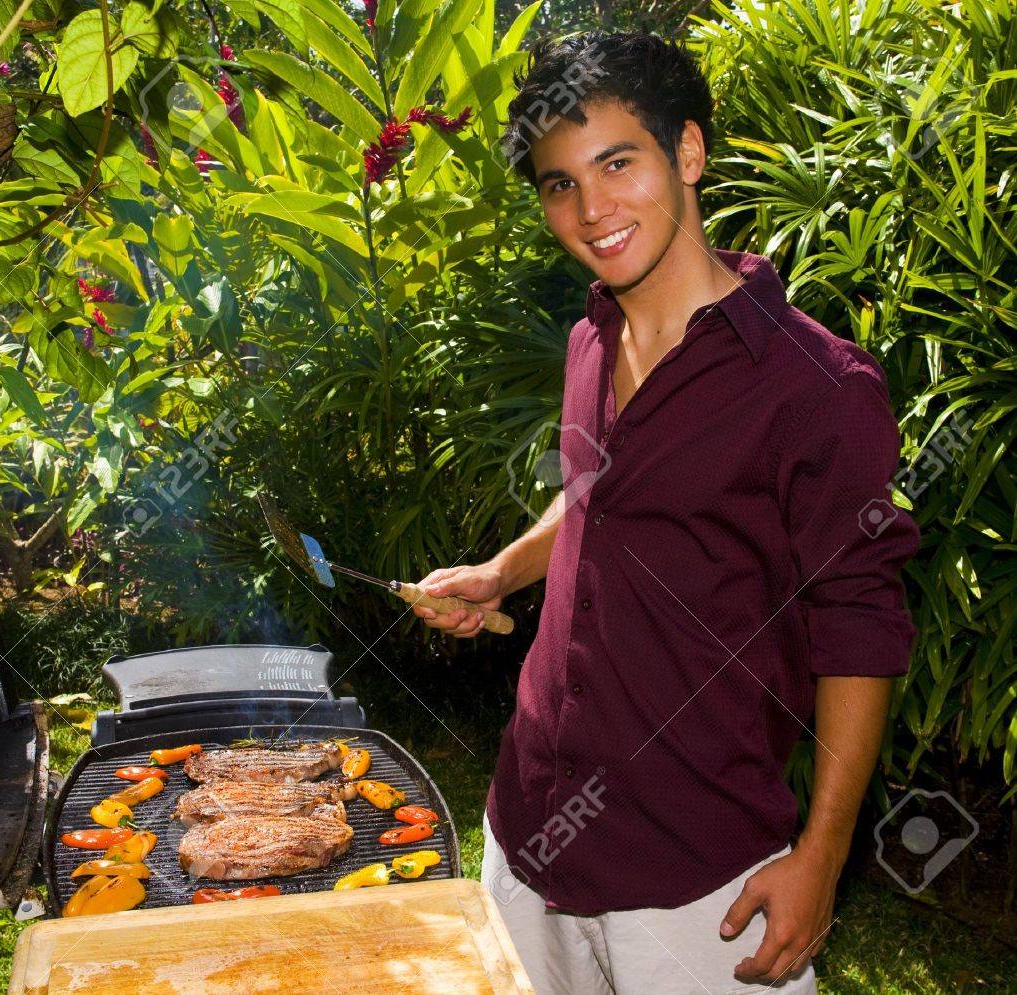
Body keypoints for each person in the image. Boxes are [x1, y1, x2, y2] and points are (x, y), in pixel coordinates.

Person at [412, 31, 920, 995]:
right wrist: (502, 572)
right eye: (560, 183)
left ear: (686, 153)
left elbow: (859, 629)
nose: (591, 208)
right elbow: (596, 497)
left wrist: (822, 856)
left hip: (696, 882)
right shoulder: (588, 340)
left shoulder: (816, 388)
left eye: (617, 162)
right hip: (526, 831)